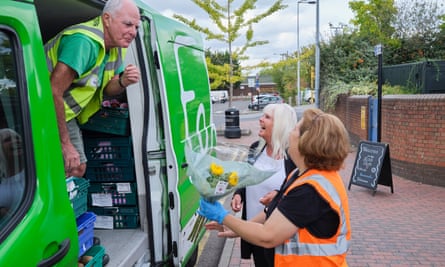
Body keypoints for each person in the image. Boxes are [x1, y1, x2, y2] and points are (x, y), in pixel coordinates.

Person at [200, 108, 352, 266]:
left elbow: (267, 236)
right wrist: (235, 226)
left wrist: (222, 215)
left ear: (305, 141)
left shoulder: (310, 189)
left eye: (294, 129)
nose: (290, 134)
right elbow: (273, 210)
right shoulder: (301, 175)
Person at [45, 0, 141, 178]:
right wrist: (65, 144)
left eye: (136, 27)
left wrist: (123, 81)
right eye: (128, 24)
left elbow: (107, 89)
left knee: (76, 167)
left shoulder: (117, 46)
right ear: (107, 19)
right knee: (72, 166)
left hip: (64, 111)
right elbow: (52, 91)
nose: (133, 32)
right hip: (41, 108)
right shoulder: (83, 42)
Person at [231, 103, 297, 267]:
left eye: (267, 117)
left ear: (280, 125)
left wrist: (279, 195)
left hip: (278, 234)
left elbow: (298, 193)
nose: (260, 119)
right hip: (254, 230)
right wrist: (238, 193)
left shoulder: (294, 157)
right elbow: (247, 178)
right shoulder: (256, 148)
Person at [0, 128, 25, 219]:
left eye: (17, 137)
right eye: (7, 140)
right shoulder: (2, 183)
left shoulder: (35, 173)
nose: (16, 141)